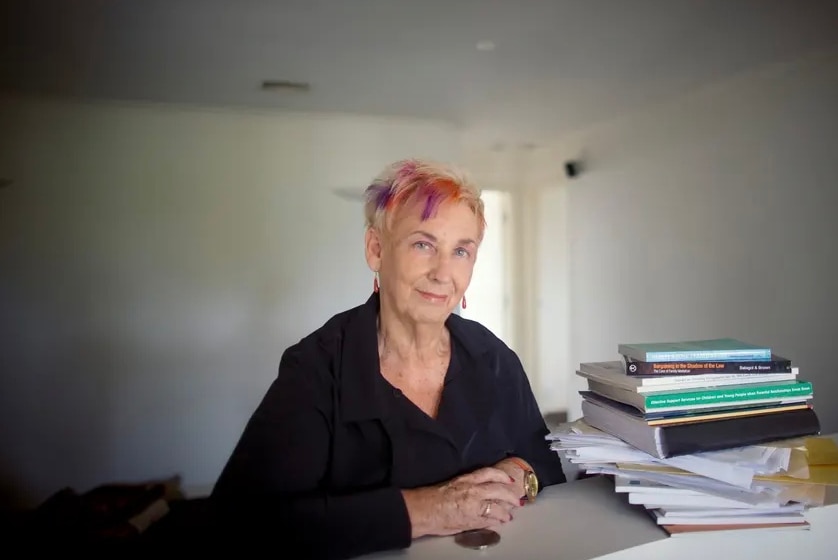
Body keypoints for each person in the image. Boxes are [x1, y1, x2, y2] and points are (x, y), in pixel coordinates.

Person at [209, 159, 566, 558]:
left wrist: (518, 476)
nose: (442, 272)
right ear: (376, 249)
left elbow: (546, 464)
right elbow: (242, 521)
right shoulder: (317, 368)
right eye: (423, 244)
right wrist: (430, 510)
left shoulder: (494, 357)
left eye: (461, 251)